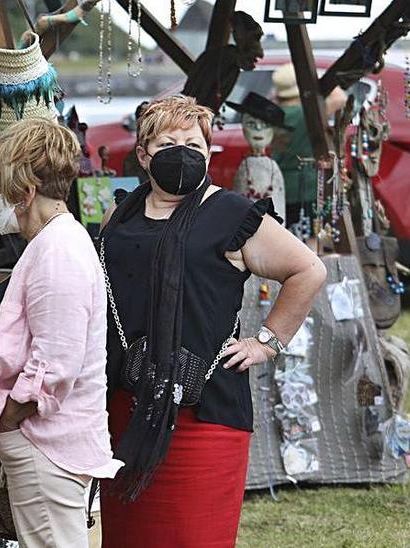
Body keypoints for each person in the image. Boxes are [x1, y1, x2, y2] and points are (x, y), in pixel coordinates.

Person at [99, 96, 326, 547]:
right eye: (167, 142)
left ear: (208, 152)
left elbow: (308, 270)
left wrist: (266, 341)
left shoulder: (233, 215)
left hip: (204, 414)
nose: (181, 152)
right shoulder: (119, 214)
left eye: (193, 143)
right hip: (126, 406)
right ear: (143, 154)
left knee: (194, 536)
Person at [0, 117, 121, 548]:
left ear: (27, 190)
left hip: (47, 445)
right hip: (47, 443)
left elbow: (56, 364)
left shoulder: (59, 251)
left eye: (0, 185)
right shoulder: (57, 243)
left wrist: (10, 420)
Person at [271, 64, 347, 240]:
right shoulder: (308, 112)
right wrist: (316, 83)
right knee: (311, 238)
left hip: (281, 187)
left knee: (286, 238)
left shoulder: (273, 113)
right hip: (307, 187)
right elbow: (341, 98)